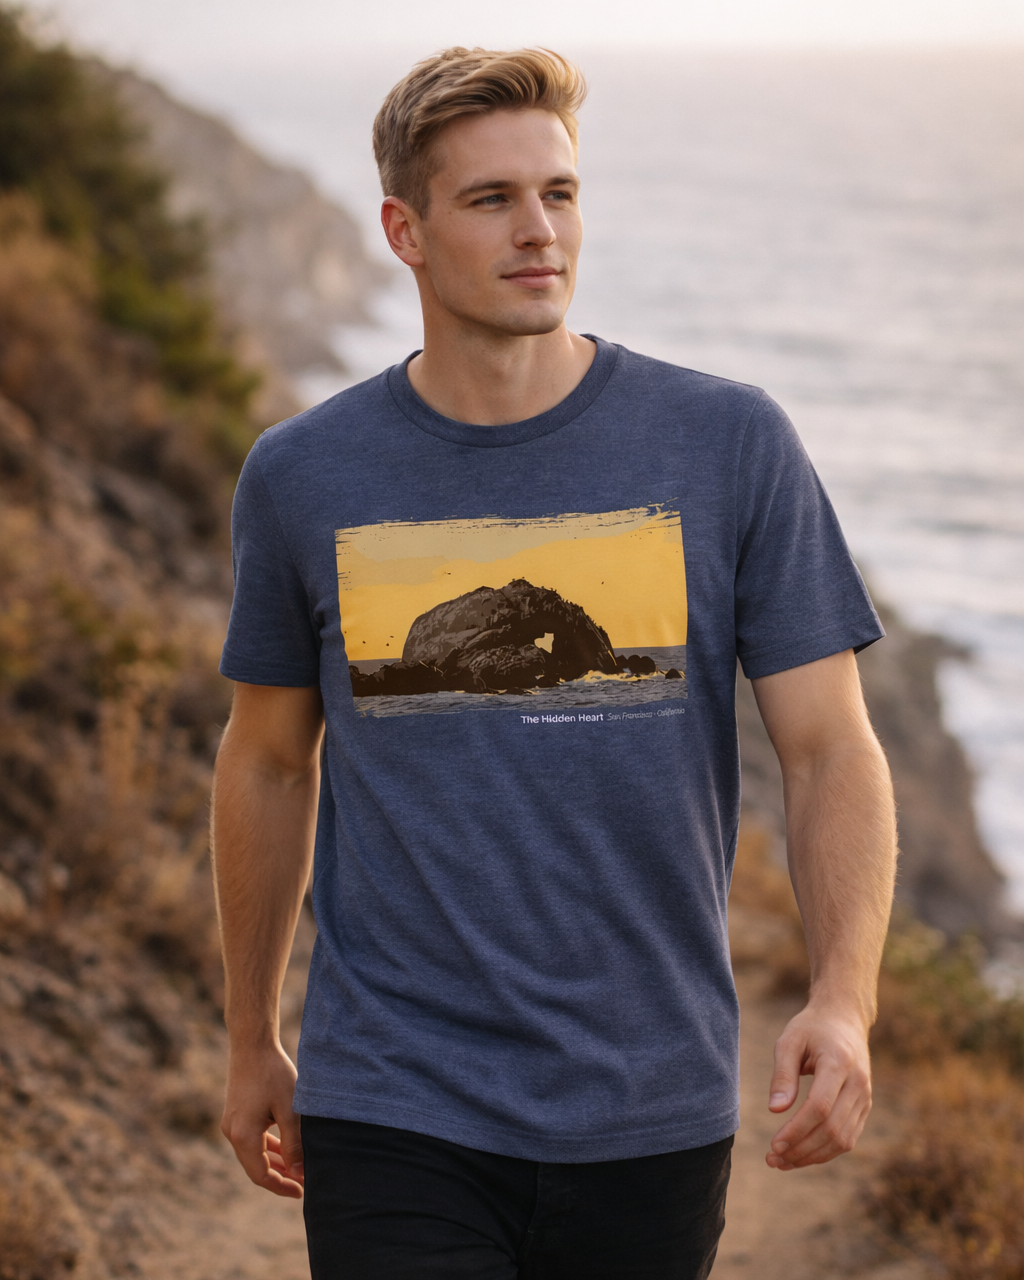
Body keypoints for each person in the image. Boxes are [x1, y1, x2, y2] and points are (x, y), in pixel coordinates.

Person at [212, 47, 897, 1280]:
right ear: (403, 231)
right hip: (395, 1093)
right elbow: (267, 760)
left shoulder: (728, 442)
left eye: (560, 193)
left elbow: (829, 742)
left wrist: (843, 997)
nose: (540, 232)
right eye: (491, 201)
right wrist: (250, 1032)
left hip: (652, 1097)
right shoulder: (305, 474)